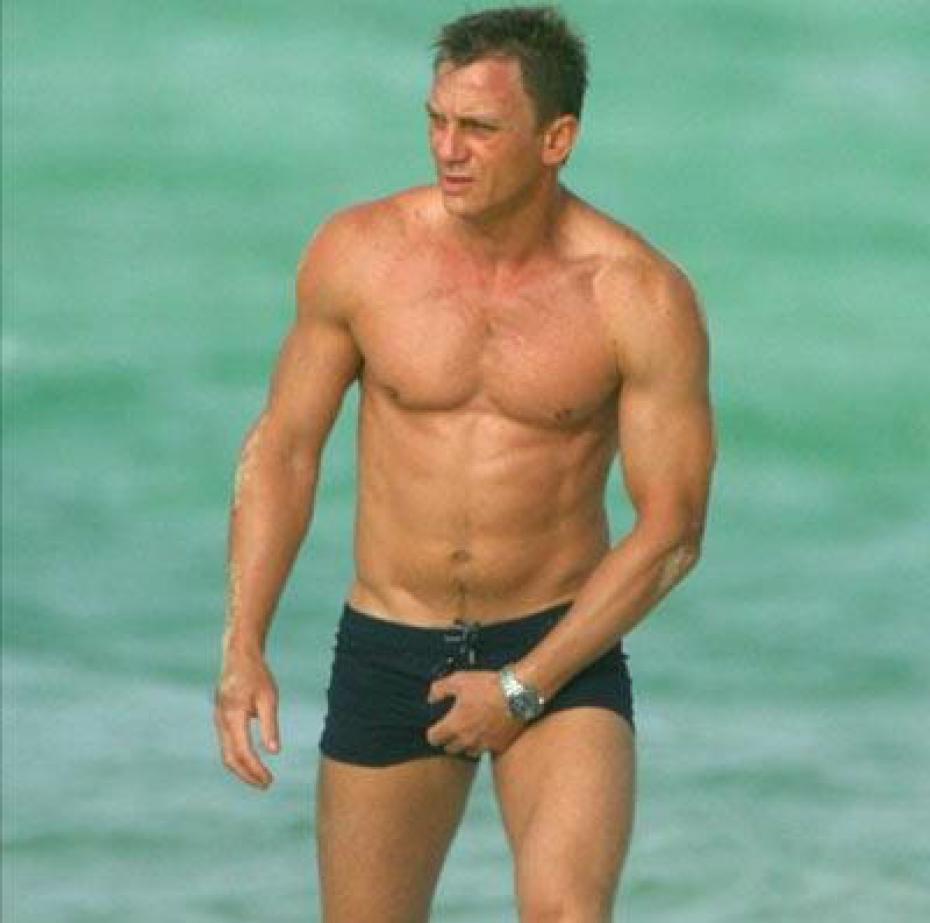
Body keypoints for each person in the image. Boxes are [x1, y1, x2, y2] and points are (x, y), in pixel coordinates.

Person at [212, 5, 715, 921]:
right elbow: (284, 448)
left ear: (557, 139)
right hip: (391, 641)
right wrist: (243, 643)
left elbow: (673, 529)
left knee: (567, 912)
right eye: (437, 121)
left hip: (559, 642)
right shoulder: (360, 254)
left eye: (480, 127)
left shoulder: (636, 295)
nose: (449, 149)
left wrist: (524, 686)